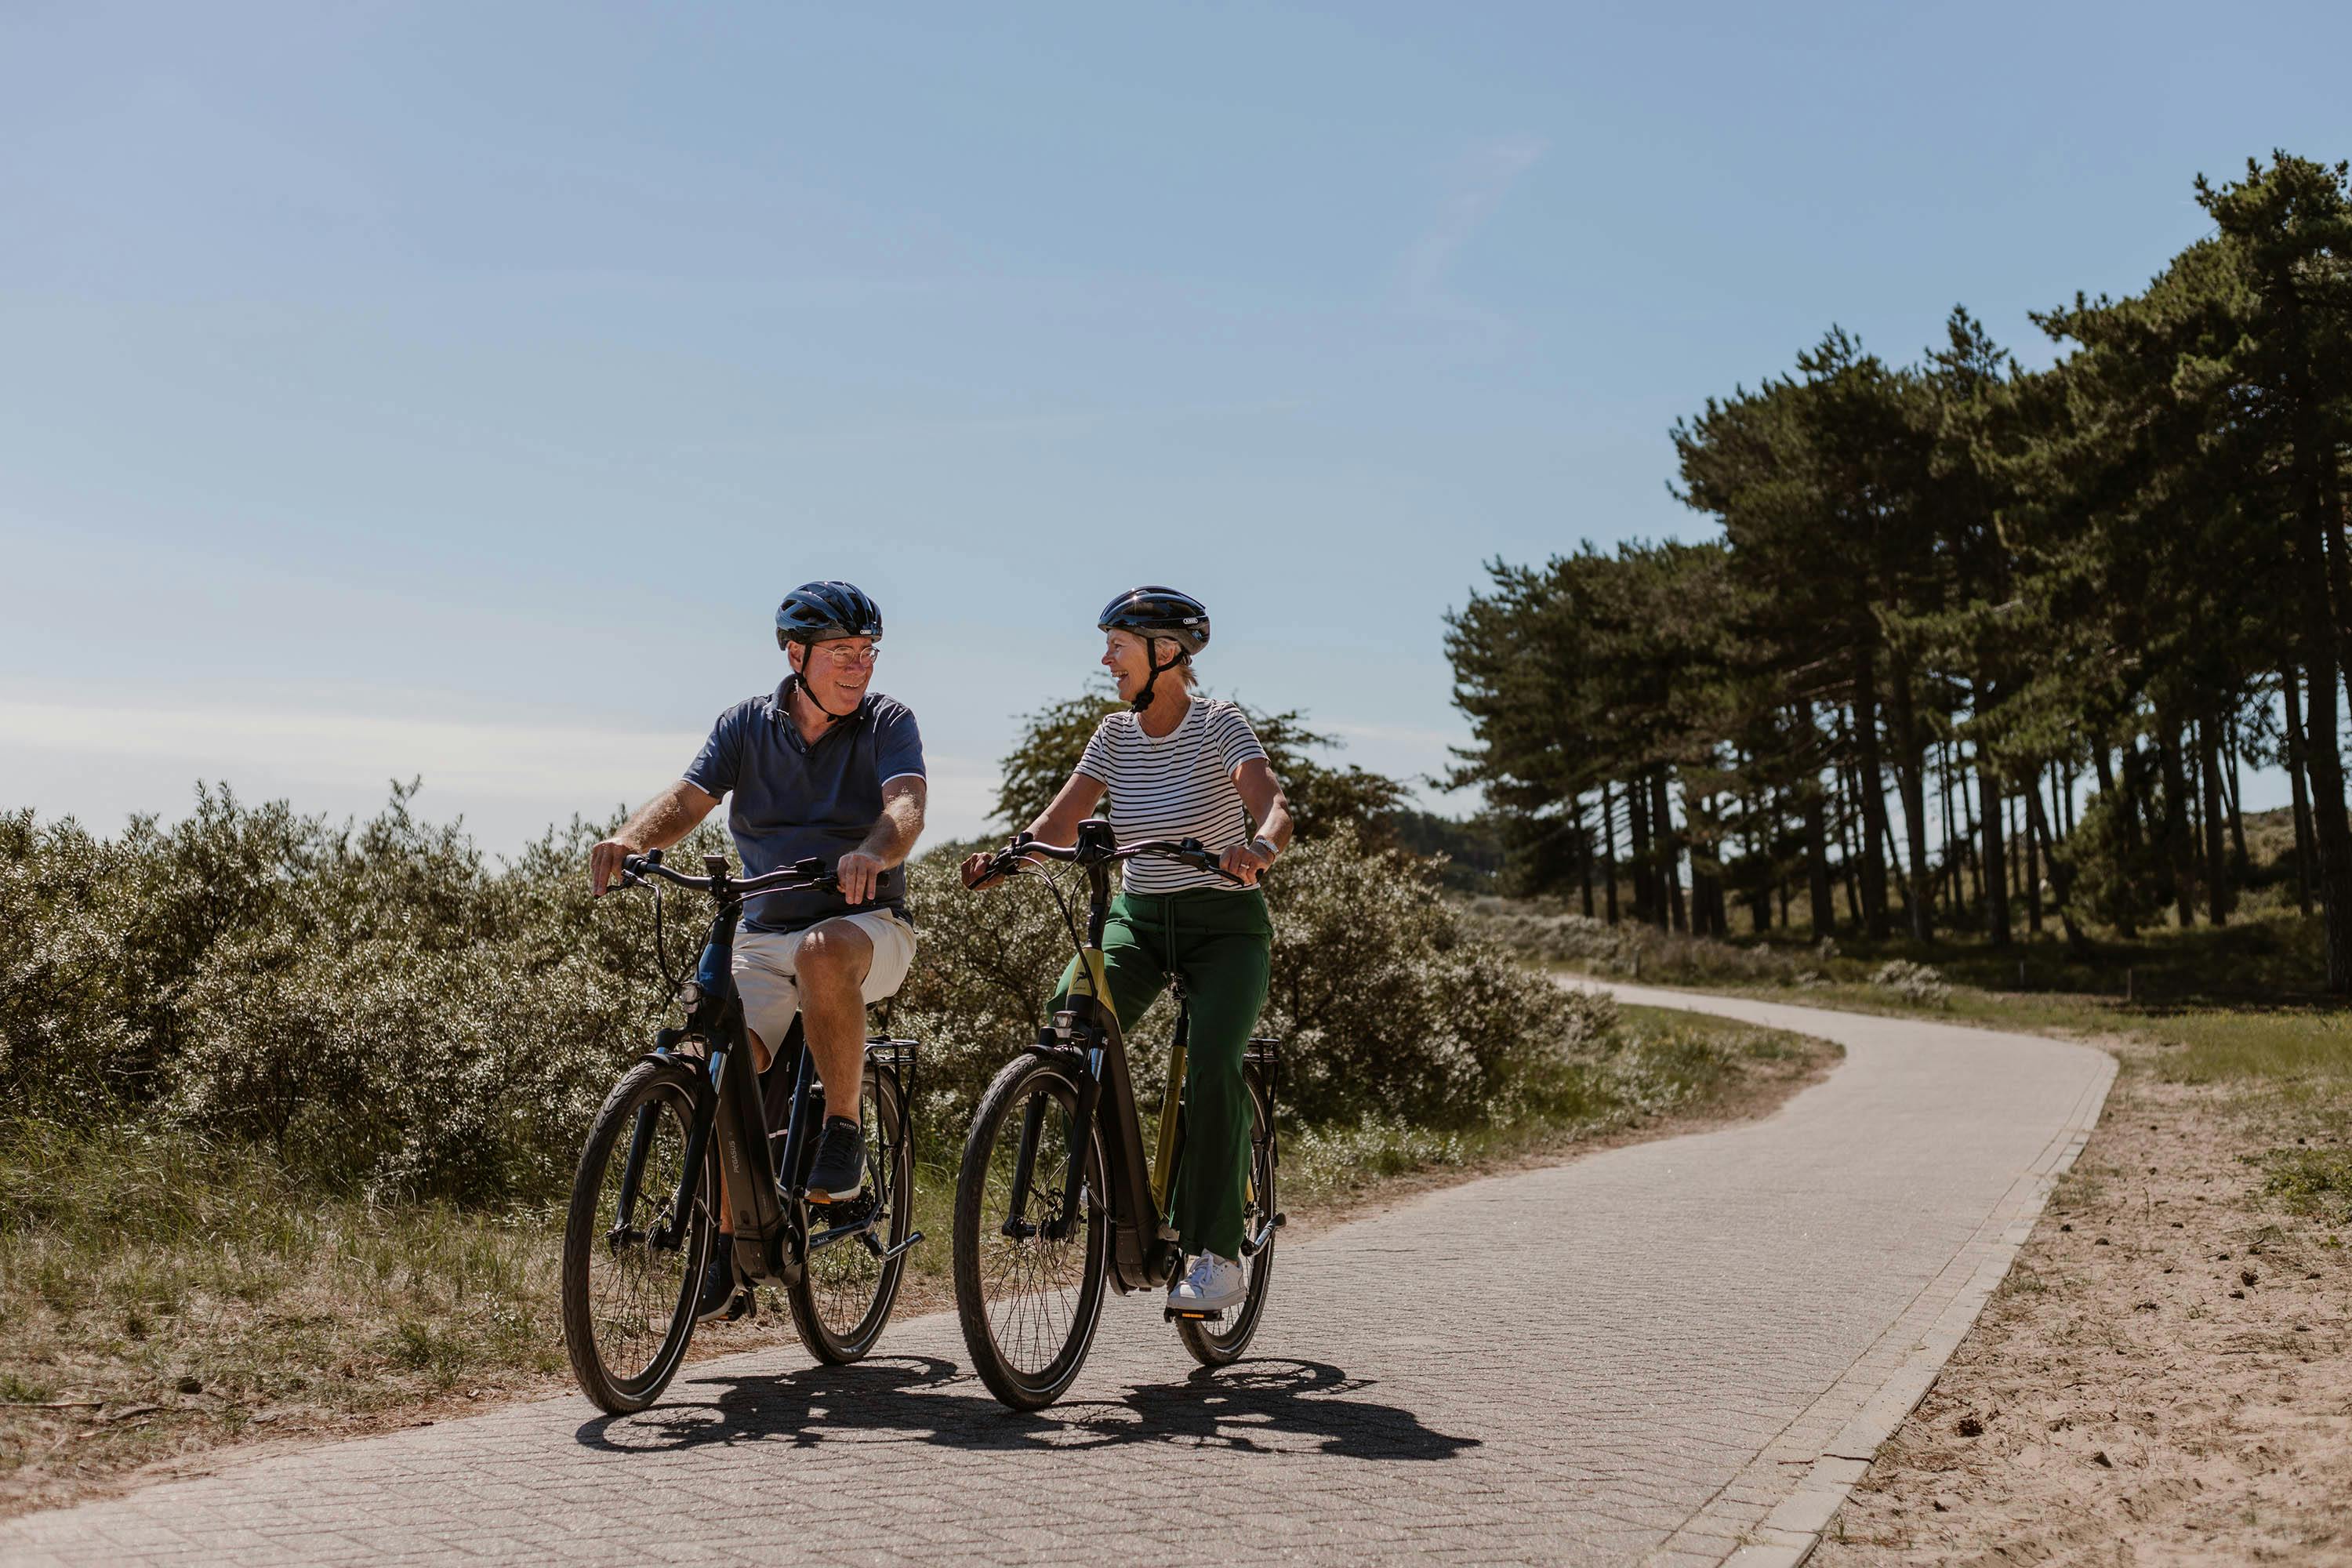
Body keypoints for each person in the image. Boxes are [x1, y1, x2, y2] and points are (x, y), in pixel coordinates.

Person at [590, 580, 927, 1320]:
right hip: (763, 932)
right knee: (709, 1059)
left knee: (820, 951)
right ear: (795, 654)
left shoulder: (887, 722)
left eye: (868, 652)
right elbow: (687, 799)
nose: (860, 667)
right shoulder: (746, 725)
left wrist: (872, 851)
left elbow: (905, 806)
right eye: (843, 653)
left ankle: (843, 1130)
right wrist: (630, 840)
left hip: (866, 931)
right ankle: (725, 1241)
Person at [961, 586, 1294, 1314]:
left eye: (1119, 644)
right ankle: (1114, 1193)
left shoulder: (1217, 724)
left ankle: (1215, 1253)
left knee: (1211, 1066)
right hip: (1137, 922)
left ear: (1165, 653)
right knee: (1070, 1013)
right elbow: (1061, 819)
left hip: (1224, 926)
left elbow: (1273, 803)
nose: (1106, 657)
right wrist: (1012, 856)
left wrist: (1259, 846)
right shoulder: (1113, 736)